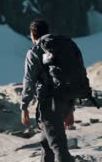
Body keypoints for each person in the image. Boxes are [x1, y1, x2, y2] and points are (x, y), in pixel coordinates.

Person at [20, 19, 75, 162]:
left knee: (58, 147)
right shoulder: (62, 47)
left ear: (33, 35)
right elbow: (71, 75)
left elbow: (29, 81)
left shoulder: (35, 52)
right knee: (46, 144)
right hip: (66, 101)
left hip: (50, 105)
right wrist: (71, 108)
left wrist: (24, 106)